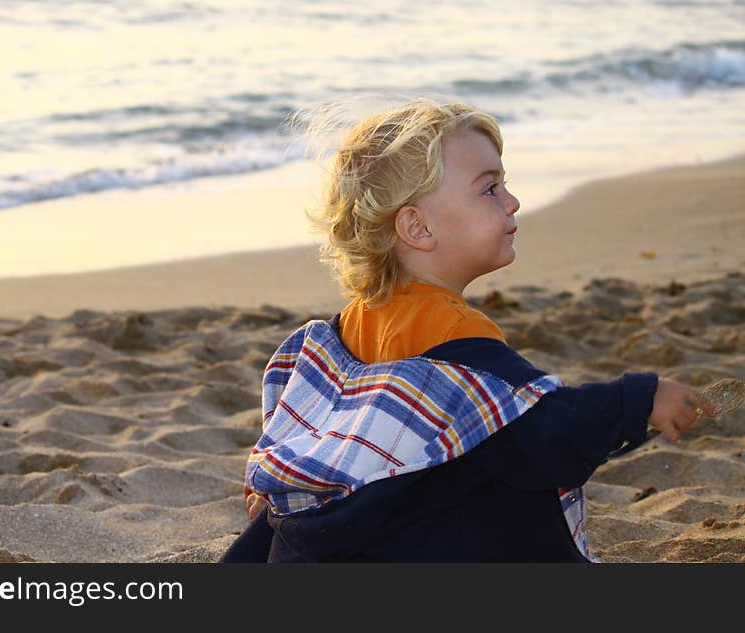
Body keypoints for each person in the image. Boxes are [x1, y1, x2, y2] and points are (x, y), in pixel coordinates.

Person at [220, 99, 716, 562]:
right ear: (417, 228)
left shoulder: (348, 326)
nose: (513, 201)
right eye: (489, 188)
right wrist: (639, 400)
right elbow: (541, 430)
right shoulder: (455, 332)